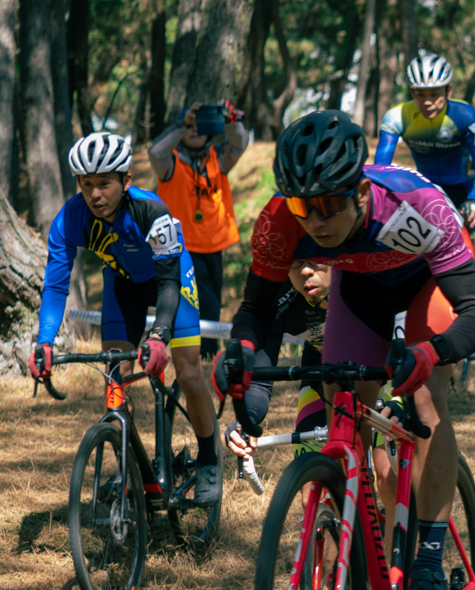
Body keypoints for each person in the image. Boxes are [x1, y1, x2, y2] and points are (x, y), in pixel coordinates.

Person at [217, 110, 475, 590]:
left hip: (429, 284)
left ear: (360, 193)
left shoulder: (416, 208)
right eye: (304, 207)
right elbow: (257, 315)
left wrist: (431, 352)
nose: (316, 221)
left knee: (425, 393)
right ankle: (360, 548)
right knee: (341, 397)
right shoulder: (281, 221)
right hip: (361, 288)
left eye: (328, 206)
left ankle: (430, 559)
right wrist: (243, 374)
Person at [31, 132, 220, 505]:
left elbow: (168, 284)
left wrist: (159, 336)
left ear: (126, 181)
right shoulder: (69, 219)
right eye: (87, 185)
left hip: (170, 282)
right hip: (123, 288)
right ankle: (130, 468)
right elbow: (55, 288)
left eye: (104, 184)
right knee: (114, 380)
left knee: (189, 369)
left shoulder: (152, 211)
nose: (95, 194)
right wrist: (45, 341)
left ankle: (210, 457)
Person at [148, 101, 250, 359]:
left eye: (198, 125)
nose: (194, 131)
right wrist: (181, 125)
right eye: (189, 126)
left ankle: (206, 354)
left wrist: (232, 121)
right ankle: (196, 353)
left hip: (213, 246)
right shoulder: (170, 163)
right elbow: (155, 153)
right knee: (193, 304)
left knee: (211, 304)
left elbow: (240, 143)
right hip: (182, 248)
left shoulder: (217, 158)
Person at [222, 259, 330, 460]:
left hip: (381, 368)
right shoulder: (280, 296)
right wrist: (246, 420)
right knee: (309, 471)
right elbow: (259, 383)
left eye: (314, 259)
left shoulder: (357, 278)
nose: (306, 270)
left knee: (387, 473)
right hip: (321, 367)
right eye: (295, 262)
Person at [375, 53, 475, 234]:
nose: (427, 102)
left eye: (435, 94)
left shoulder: (467, 116)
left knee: (470, 253)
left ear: (448, 91)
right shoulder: (396, 117)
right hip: (424, 191)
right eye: (420, 94)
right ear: (412, 92)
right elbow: (381, 170)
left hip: (462, 191)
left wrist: (474, 199)